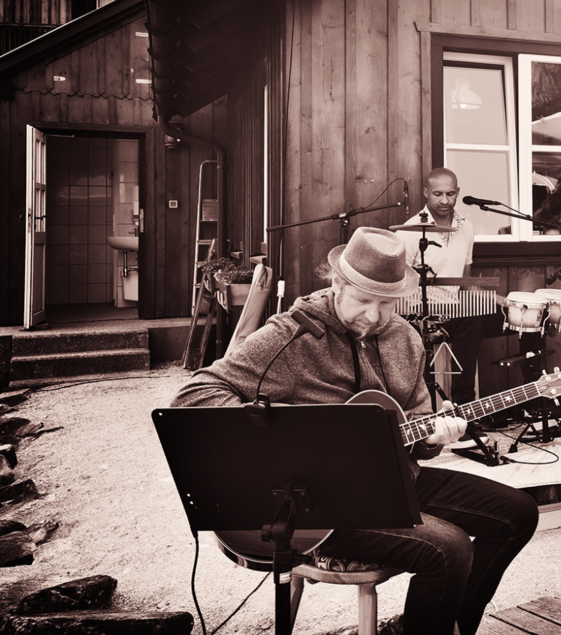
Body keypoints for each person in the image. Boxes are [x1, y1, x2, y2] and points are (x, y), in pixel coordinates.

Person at [170, 227, 538, 635]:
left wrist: (434, 437)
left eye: (387, 303)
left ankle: (440, 625)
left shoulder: (405, 339)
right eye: (364, 301)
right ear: (337, 284)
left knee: (517, 514)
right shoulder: (292, 334)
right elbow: (195, 394)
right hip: (320, 504)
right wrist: (286, 434)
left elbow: (415, 431)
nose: (375, 316)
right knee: (448, 548)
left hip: (394, 481)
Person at [397, 168, 544, 421]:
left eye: (450, 193)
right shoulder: (409, 232)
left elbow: (464, 282)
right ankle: (464, 406)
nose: (445, 200)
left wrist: (500, 301)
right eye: (438, 194)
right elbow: (399, 286)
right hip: (425, 315)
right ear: (425, 193)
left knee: (527, 316)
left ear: (458, 193)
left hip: (458, 309)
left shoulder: (466, 227)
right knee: (470, 320)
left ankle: (535, 397)